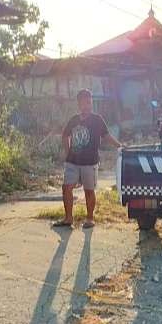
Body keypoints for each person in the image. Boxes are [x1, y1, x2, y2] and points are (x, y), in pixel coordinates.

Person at [54, 89, 123, 229]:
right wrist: (68, 153)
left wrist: (119, 145)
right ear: (79, 104)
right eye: (85, 102)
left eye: (90, 102)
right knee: (66, 188)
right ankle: (68, 218)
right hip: (72, 162)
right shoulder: (74, 120)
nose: (88, 105)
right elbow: (65, 136)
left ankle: (90, 218)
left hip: (90, 162)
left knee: (89, 191)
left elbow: (106, 136)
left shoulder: (97, 120)